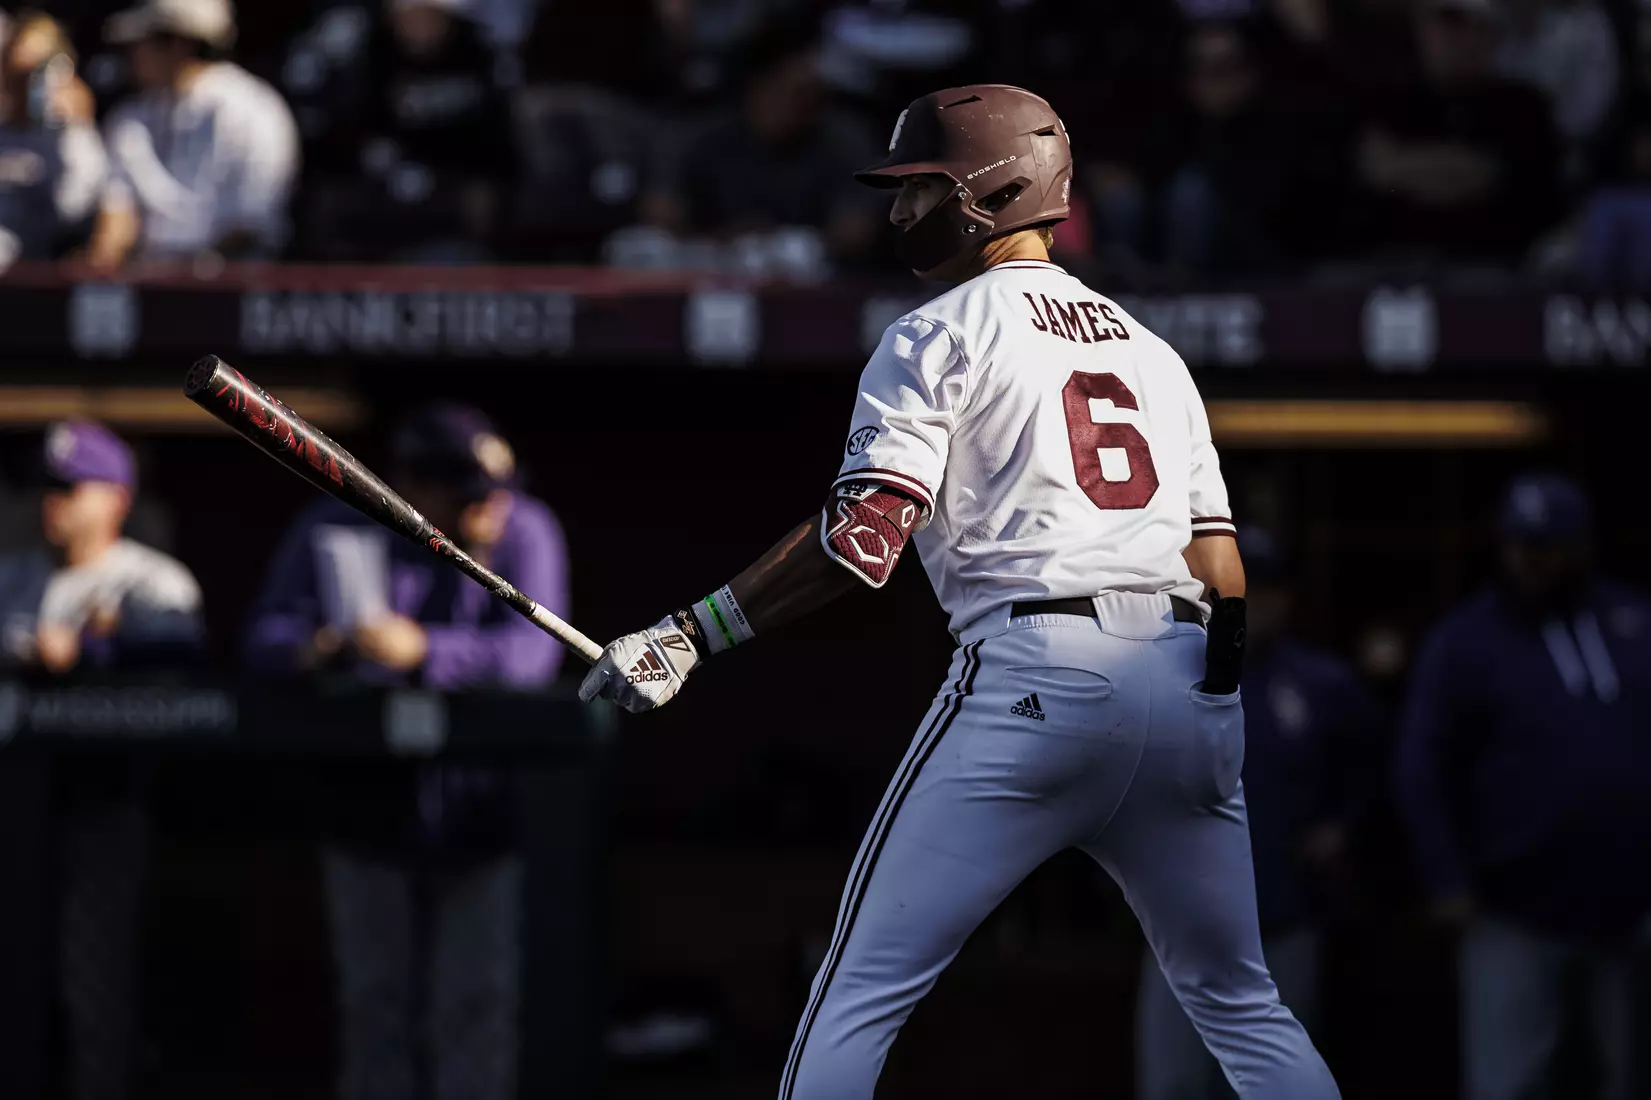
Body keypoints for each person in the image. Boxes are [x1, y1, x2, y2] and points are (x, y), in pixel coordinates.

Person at [579, 84, 1339, 1099]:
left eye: (920, 187)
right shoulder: (1152, 352)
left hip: (1036, 671)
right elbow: (1221, 567)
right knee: (1244, 1003)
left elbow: (861, 544)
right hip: (1189, 682)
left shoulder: (934, 331)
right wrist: (1209, 704)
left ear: (992, 190)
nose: (898, 213)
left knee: (857, 987)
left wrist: (688, 632)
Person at [244, 404, 569, 1100]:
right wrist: (326, 647)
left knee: (474, 1003)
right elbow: (264, 640)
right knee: (375, 1003)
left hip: (480, 803)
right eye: (461, 489)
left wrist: (425, 645)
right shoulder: (336, 520)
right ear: (411, 482)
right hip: (363, 795)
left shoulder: (520, 527)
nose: (483, 504)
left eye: (490, 489)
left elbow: (529, 659)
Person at [1396, 473, 1651, 1100]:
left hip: (1628, 910)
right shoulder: (1467, 640)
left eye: (1548, 546)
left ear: (1582, 547)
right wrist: (1446, 877)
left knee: (1622, 1077)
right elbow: (1421, 765)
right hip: (1510, 908)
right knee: (1509, 1082)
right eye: (1520, 545)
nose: (1532, 561)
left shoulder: (1634, 622)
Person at [1135, 526, 1381, 1100]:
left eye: (1266, 589)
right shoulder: (1164, 668)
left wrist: (1341, 828)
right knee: (1175, 1083)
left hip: (1283, 916)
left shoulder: (1321, 683)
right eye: (1239, 587)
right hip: (1179, 923)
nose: (1252, 602)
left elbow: (1376, 768)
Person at [0, 420, 205, 1100]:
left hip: (108, 808)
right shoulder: (13, 576)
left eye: (69, 488)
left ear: (116, 497)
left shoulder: (152, 583)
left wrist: (90, 655)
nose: (51, 503)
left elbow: (183, 651)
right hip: (15, 813)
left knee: (98, 988)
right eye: (45, 489)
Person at [85, 0, 299, 269]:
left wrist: (187, 274)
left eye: (140, 43)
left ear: (178, 44)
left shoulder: (254, 111)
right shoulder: (129, 118)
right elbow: (117, 219)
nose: (131, 55)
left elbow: (250, 226)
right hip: (144, 286)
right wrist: (95, 273)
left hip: (230, 287)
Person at [1348, 0, 1560, 266]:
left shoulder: (1523, 108)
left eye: (1474, 25)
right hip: (1388, 264)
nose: (1459, 37)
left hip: (1495, 267)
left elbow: (1502, 180)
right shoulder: (1388, 102)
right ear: (1422, 28)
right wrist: (1458, 169)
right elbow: (1373, 172)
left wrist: (1405, 166)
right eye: (1447, 22)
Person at [0, 11, 107, 269]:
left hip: (40, 278)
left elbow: (72, 209)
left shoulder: (73, 140)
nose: (27, 88)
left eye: (36, 74)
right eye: (17, 75)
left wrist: (77, 129)